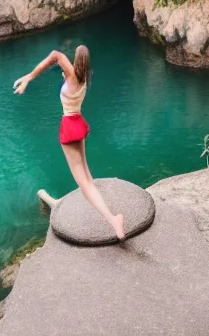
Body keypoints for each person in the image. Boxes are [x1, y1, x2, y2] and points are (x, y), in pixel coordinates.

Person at [13, 45, 125, 240]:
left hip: (69, 125)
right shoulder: (83, 79)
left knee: (82, 182)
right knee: (86, 171)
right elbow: (68, 74)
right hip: (79, 124)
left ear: (75, 60)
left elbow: (55, 55)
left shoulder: (72, 74)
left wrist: (28, 78)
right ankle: (99, 201)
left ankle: (113, 220)